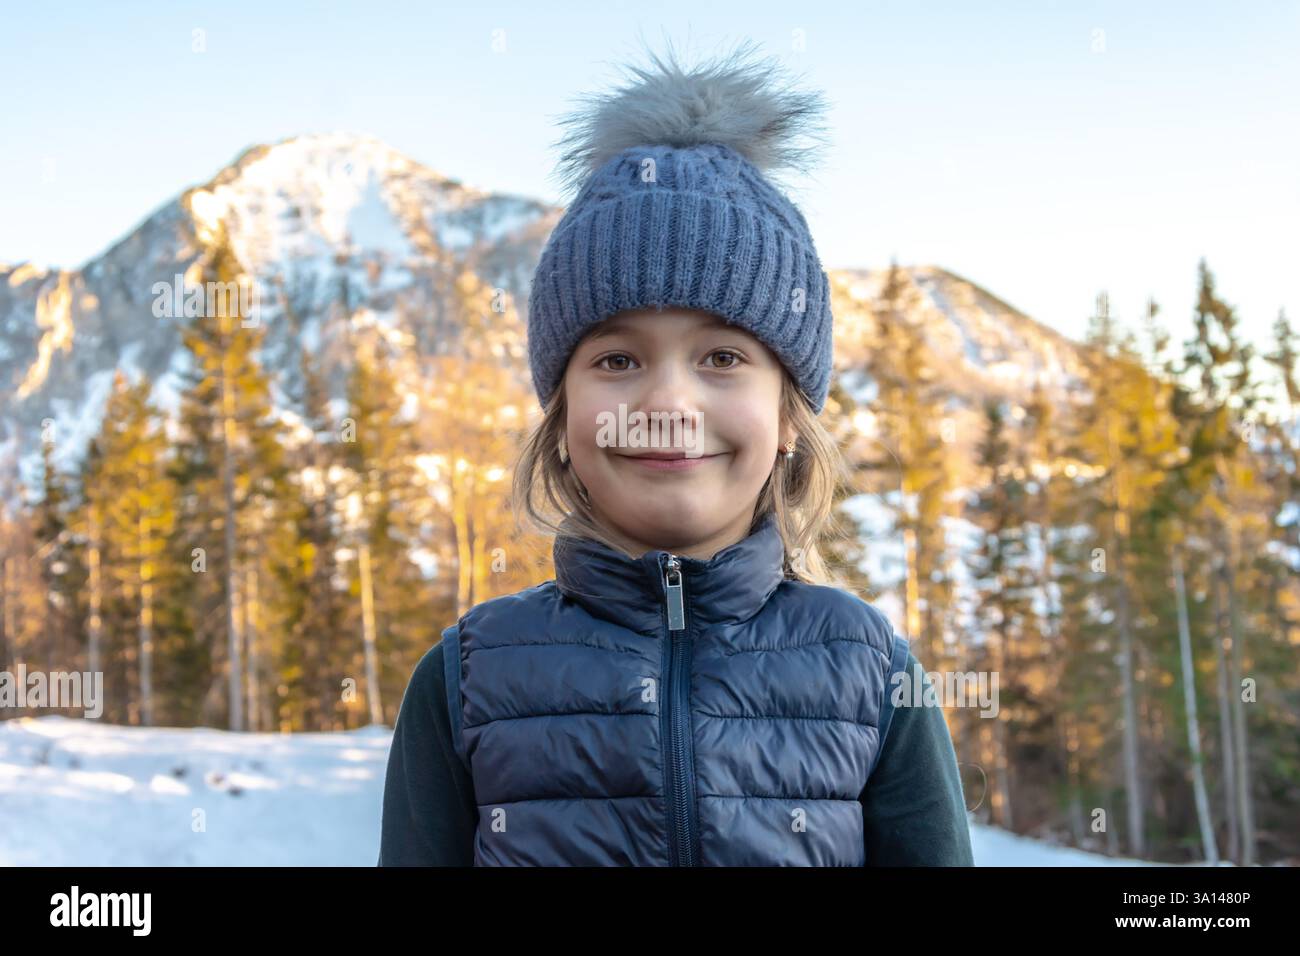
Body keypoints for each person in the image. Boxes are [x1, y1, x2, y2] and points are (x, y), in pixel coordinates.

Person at [379, 40, 974, 866]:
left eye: (722, 358)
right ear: (560, 415)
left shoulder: (874, 676)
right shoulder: (465, 681)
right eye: (617, 361)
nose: (666, 404)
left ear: (789, 414)